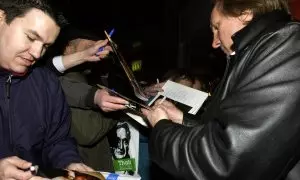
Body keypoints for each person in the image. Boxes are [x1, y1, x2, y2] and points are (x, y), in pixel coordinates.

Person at [142, 0, 300, 179]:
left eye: (217, 27)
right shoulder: (260, 51)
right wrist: (182, 118)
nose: (214, 43)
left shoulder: (286, 47)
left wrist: (162, 127)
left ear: (245, 13)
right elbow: (233, 132)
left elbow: (225, 160)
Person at [0, 0, 92, 179]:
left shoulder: (46, 82)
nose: (36, 53)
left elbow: (58, 140)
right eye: (31, 38)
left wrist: (70, 163)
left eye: (45, 46)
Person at [42, 26, 129, 171]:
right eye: (89, 46)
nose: (98, 52)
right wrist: (116, 110)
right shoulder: (64, 81)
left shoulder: (89, 79)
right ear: (69, 49)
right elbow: (88, 133)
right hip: (82, 168)